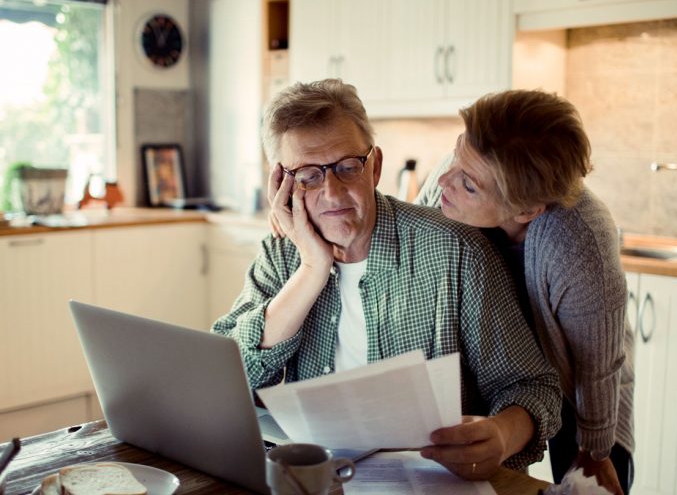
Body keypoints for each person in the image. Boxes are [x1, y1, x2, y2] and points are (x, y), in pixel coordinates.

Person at [212, 79, 561, 480]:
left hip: (430, 481)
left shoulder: (455, 251)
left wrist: (500, 434)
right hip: (316, 481)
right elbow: (230, 380)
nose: (332, 193)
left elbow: (534, 387)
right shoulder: (282, 253)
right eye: (308, 175)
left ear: (374, 166)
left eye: (347, 167)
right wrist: (311, 269)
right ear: (281, 184)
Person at [415, 89, 634, 494]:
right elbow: (414, 244)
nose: (444, 179)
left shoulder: (580, 241)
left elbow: (596, 364)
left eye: (468, 185)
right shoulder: (457, 175)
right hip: (503, 369)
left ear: (527, 210)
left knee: (588, 479)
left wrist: (596, 453)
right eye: (455, 153)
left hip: (579, 381)